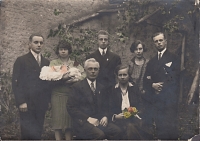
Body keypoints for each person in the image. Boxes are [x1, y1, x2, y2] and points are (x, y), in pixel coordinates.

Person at [67, 58, 122, 140]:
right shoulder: (77, 87)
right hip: (83, 123)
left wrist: (105, 116)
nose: (93, 71)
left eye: (95, 69)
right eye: (90, 69)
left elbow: (107, 106)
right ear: (85, 70)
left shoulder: (102, 87)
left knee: (117, 131)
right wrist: (88, 119)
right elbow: (71, 107)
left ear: (98, 71)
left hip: (99, 121)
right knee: (99, 135)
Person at [12, 33, 51, 139]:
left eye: (41, 43)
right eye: (36, 42)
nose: (39, 45)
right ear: (29, 44)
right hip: (27, 103)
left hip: (41, 103)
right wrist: (21, 102)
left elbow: (48, 84)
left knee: (38, 131)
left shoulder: (46, 62)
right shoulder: (21, 60)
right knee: (27, 133)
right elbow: (16, 83)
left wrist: (48, 101)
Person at [143, 32, 180, 139]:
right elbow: (146, 79)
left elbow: (176, 77)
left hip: (169, 98)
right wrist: (153, 85)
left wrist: (162, 87)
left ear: (165, 41)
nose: (159, 43)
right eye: (156, 41)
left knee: (170, 125)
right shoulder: (152, 61)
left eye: (160, 40)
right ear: (154, 44)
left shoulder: (174, 58)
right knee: (159, 125)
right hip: (156, 99)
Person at [50, 40, 85, 140]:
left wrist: (75, 79)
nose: (63, 51)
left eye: (65, 49)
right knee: (58, 121)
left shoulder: (75, 63)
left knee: (69, 122)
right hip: (57, 95)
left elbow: (84, 74)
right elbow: (49, 76)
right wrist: (62, 78)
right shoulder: (53, 63)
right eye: (61, 49)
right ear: (58, 51)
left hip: (70, 95)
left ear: (69, 51)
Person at [109, 64, 152, 140]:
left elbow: (141, 105)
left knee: (132, 127)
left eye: (125, 75)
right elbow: (109, 108)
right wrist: (115, 116)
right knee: (130, 128)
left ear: (129, 76)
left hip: (133, 118)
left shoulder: (134, 89)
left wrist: (133, 113)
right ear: (117, 76)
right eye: (120, 75)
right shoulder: (112, 90)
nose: (122, 77)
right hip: (119, 120)